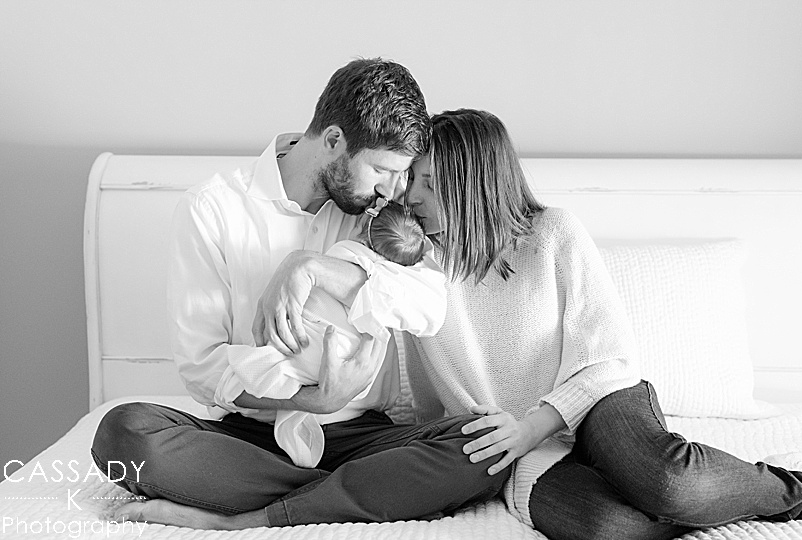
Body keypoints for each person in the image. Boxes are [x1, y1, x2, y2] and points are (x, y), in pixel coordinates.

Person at [91, 60, 508, 530]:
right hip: (251, 439)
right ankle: (352, 493)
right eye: (381, 169)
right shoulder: (212, 209)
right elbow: (202, 368)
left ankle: (243, 517)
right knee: (124, 434)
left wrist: (310, 267)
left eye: (402, 173)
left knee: (483, 444)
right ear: (333, 140)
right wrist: (313, 401)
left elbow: (428, 305)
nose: (394, 189)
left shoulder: (380, 212)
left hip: (363, 437)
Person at [401, 108, 802, 540]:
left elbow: (611, 359)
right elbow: (427, 401)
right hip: (523, 453)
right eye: (410, 180)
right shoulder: (412, 267)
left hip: (599, 403)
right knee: (606, 528)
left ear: (473, 185)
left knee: (669, 484)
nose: (411, 197)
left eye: (430, 183)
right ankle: (712, 500)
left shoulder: (552, 233)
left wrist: (530, 428)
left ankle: (791, 489)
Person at [268, 199, 441, 468]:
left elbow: (431, 312)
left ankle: (309, 483)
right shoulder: (390, 265)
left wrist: (311, 267)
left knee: (466, 442)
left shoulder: (344, 252)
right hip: (300, 383)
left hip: (360, 412)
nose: (390, 190)